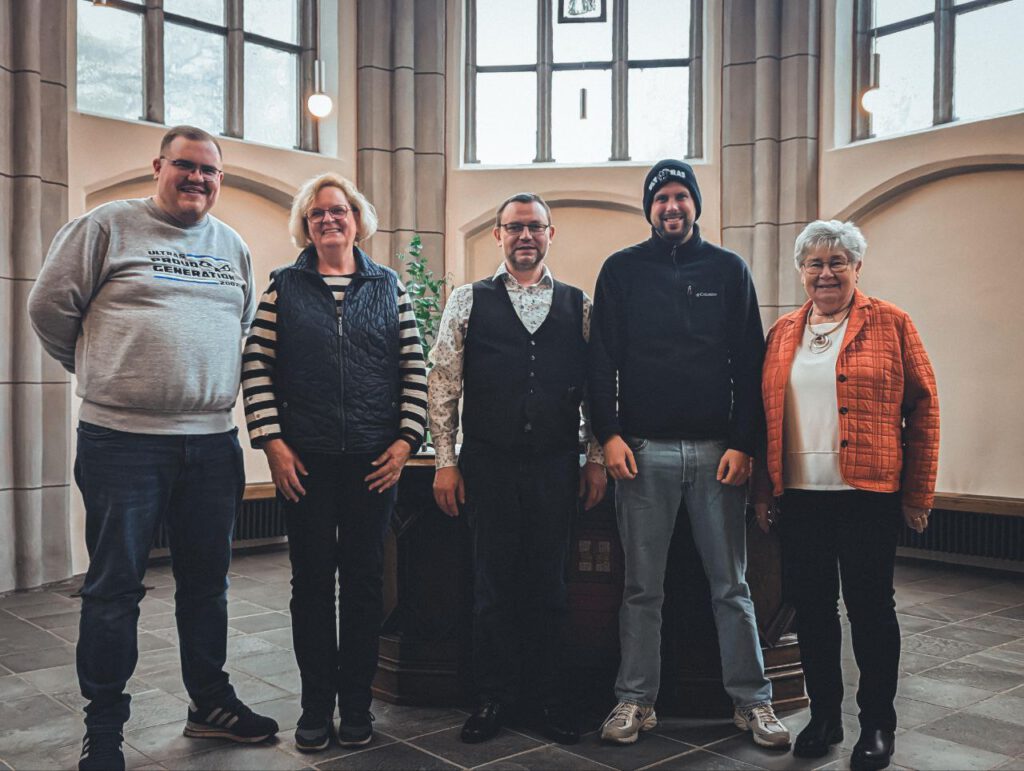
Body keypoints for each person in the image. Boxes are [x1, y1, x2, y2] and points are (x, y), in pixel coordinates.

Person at [27, 125, 278, 771]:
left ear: (219, 179)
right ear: (158, 166)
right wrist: (104, 371)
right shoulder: (106, 226)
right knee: (114, 588)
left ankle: (210, 705)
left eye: (210, 170)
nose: (198, 178)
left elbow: (241, 325)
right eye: (185, 165)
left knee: (207, 585)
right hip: (123, 442)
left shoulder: (231, 245)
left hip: (212, 442)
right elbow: (50, 310)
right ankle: (105, 726)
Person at [588, 160, 790, 748]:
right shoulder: (621, 269)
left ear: (695, 204)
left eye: (681, 196)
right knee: (641, 589)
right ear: (648, 208)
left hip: (716, 456)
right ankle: (635, 700)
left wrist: (744, 444)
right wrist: (609, 435)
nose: (671, 207)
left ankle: (753, 703)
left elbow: (750, 363)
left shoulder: (728, 269)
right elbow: (600, 360)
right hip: (641, 453)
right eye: (661, 198)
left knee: (731, 587)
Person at [241, 173, 427, 752]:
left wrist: (406, 441)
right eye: (318, 212)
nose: (329, 219)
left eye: (338, 210)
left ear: (357, 219)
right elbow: (256, 366)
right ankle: (316, 707)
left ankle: (358, 706)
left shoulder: (388, 286)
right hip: (306, 464)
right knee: (313, 586)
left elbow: (414, 367)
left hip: (374, 463)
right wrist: (273, 444)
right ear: (306, 223)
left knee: (366, 586)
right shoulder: (285, 287)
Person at [753, 220, 939, 770]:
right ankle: (825, 717)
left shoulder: (891, 322)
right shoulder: (783, 332)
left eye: (838, 261)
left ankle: (877, 724)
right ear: (801, 271)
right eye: (815, 263)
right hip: (800, 496)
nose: (826, 272)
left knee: (871, 609)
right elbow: (763, 418)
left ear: (857, 267)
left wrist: (917, 493)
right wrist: (763, 492)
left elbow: (924, 409)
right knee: (812, 610)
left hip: (868, 493)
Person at [428, 192, 607, 745]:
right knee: (492, 586)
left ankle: (549, 698)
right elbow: (443, 382)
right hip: (488, 465)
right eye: (514, 227)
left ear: (550, 234)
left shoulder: (578, 304)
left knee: (551, 586)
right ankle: (492, 697)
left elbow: (598, 389)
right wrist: (445, 461)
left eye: (534, 226)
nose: (525, 235)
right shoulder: (467, 300)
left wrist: (596, 458)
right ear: (498, 235)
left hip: (556, 465)